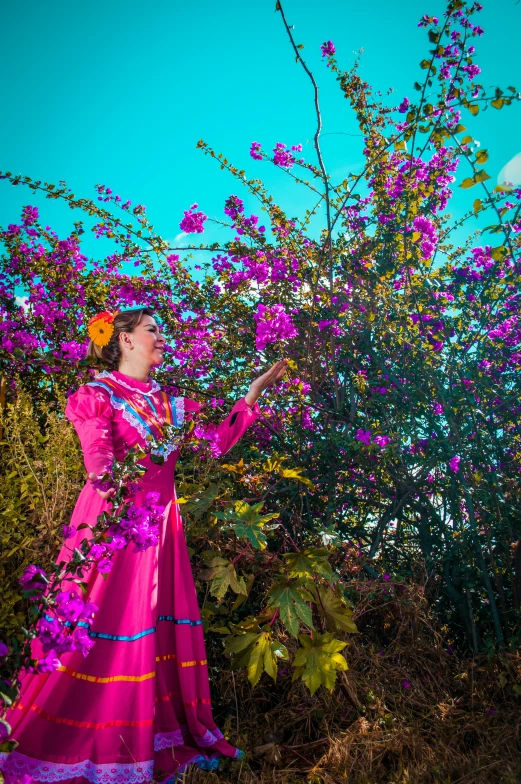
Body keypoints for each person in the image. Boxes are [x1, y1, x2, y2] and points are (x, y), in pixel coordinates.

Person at [1, 307, 288, 784]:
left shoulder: (170, 403)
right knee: (92, 623)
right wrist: (112, 486)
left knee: (148, 626)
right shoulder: (97, 395)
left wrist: (252, 394)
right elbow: (97, 458)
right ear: (125, 340)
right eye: (151, 329)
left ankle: (145, 735)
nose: (161, 336)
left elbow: (215, 443)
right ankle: (71, 736)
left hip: (160, 529)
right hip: (114, 523)